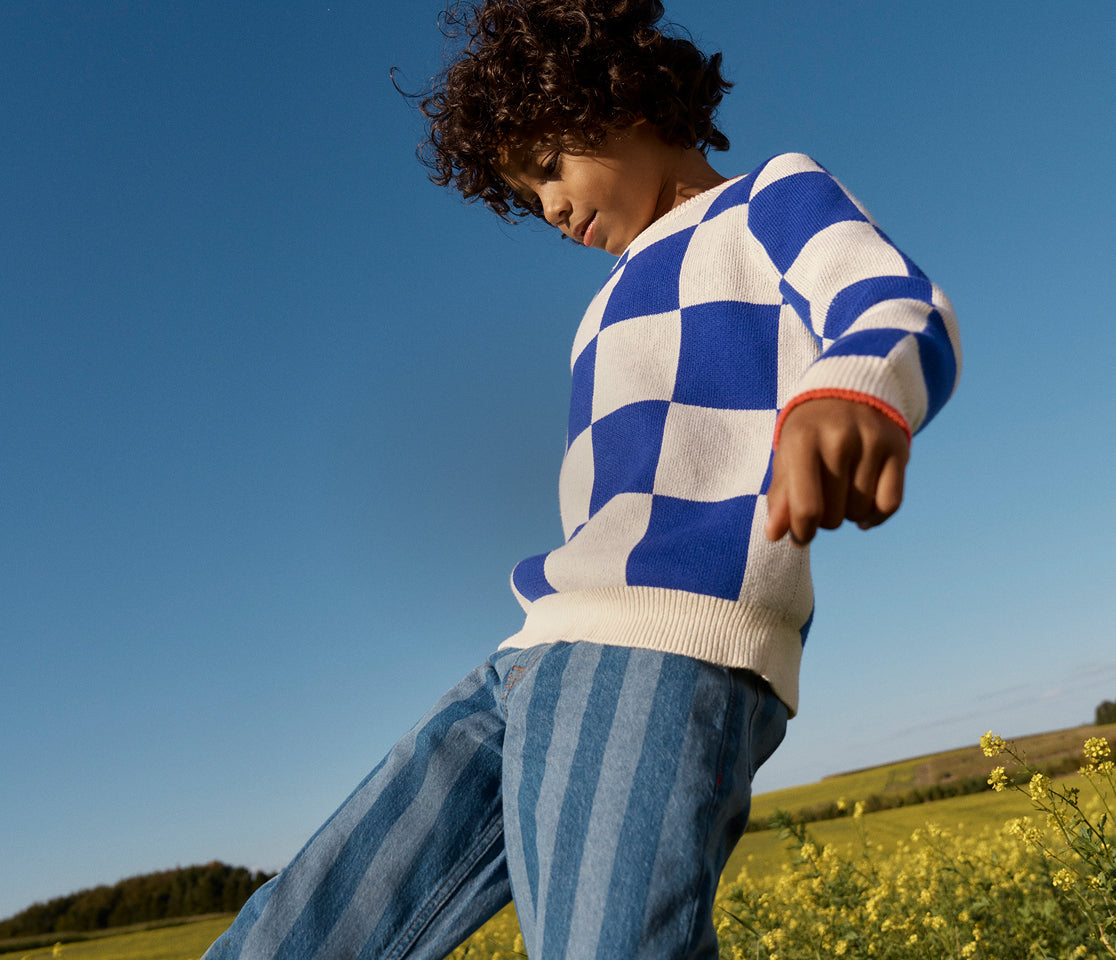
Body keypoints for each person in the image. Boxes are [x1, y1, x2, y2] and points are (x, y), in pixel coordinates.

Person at [203, 0, 961, 957]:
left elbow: (891, 300)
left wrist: (850, 392)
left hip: (662, 639)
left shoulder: (768, 196)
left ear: (620, 99)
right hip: (528, 653)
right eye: (527, 198)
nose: (549, 210)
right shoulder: (602, 304)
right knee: (288, 934)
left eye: (549, 167)